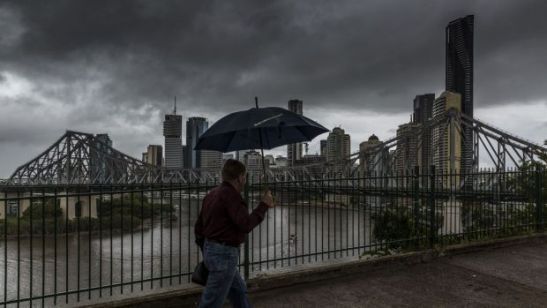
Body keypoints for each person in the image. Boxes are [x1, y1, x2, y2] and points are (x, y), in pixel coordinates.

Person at [194, 159, 274, 308]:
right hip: (224, 255)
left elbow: (198, 228)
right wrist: (263, 205)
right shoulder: (233, 196)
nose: (245, 180)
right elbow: (245, 224)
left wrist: (207, 250)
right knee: (210, 303)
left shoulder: (211, 194)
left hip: (212, 250)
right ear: (240, 177)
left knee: (238, 291)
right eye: (244, 177)